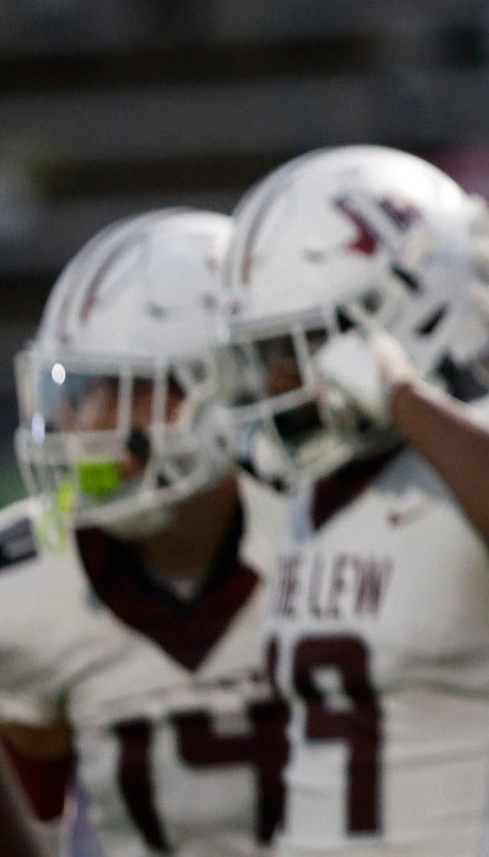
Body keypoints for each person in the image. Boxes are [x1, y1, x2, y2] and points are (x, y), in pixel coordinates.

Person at [212, 145, 489, 857]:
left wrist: (403, 396)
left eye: (298, 349)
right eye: (263, 355)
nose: (277, 382)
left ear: (394, 320)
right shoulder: (302, 482)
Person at [1, 209, 286, 857]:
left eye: (130, 390)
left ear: (229, 387)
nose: (90, 423)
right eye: (79, 391)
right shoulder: (25, 578)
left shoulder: (320, 537)